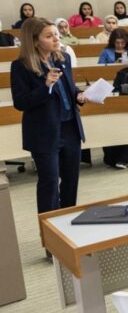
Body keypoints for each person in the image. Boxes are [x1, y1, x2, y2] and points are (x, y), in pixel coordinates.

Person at [10, 17, 87, 213]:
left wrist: (79, 95)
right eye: (49, 36)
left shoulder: (63, 58)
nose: (56, 39)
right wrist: (45, 86)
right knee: (50, 182)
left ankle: (67, 220)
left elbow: (69, 88)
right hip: (44, 132)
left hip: (70, 128)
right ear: (35, 41)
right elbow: (20, 102)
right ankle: (50, 227)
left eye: (56, 34)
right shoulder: (21, 66)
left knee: (71, 180)